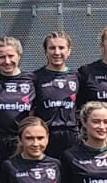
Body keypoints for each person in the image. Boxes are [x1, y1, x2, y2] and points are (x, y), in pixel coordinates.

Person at [30, 31, 78, 159]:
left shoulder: (77, 77)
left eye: (61, 48)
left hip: (71, 136)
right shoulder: (35, 78)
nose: (57, 52)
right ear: (46, 51)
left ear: (69, 51)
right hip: (45, 137)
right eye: (52, 48)